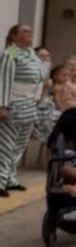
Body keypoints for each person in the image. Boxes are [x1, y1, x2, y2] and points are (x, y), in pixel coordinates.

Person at [0, 23, 46, 197]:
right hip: (13, 104)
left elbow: (41, 75)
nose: (29, 34)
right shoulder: (10, 52)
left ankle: (10, 178)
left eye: (30, 32)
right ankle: (0, 180)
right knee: (5, 145)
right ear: (14, 36)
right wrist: (2, 105)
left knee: (19, 145)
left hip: (29, 105)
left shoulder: (31, 53)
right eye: (25, 31)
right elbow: (4, 80)